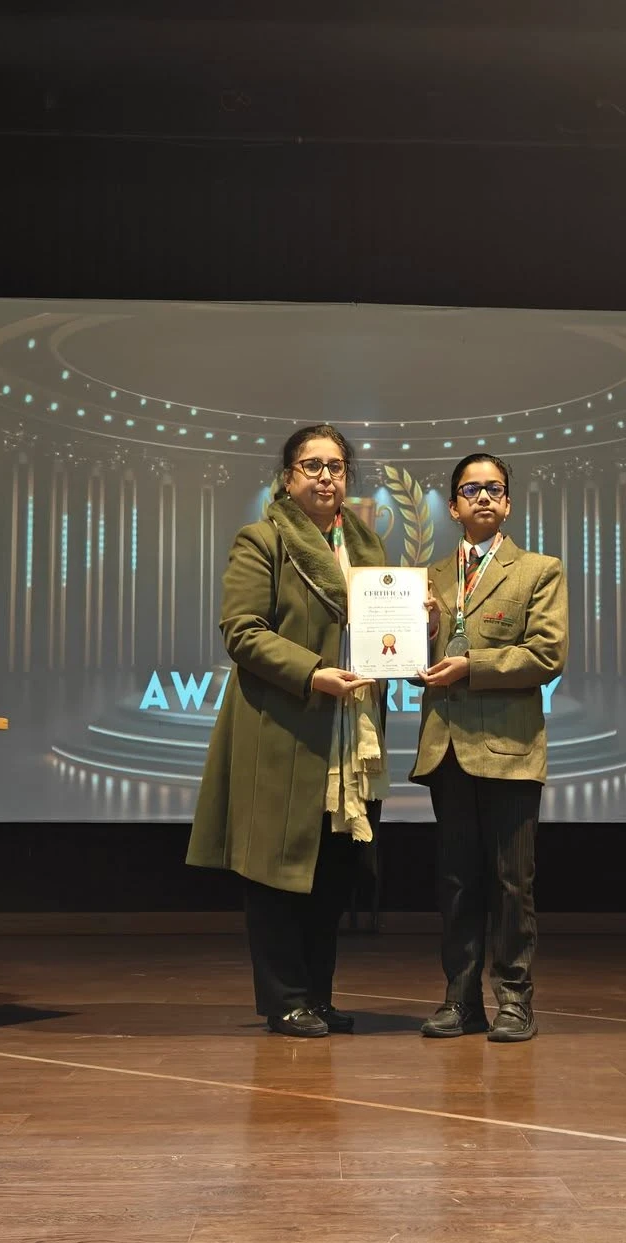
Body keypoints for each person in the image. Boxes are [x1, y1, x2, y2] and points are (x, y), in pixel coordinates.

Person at [187, 425, 389, 1038]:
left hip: (347, 730)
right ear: (287, 477)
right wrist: (311, 673)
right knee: (277, 869)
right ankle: (285, 998)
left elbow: (384, 630)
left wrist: (419, 623)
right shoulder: (264, 539)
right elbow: (242, 631)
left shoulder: (368, 549)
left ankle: (318, 996)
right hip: (282, 723)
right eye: (312, 465)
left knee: (333, 870)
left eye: (336, 466)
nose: (326, 477)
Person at [412, 453, 567, 1043]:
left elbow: (546, 655)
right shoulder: (428, 578)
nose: (483, 497)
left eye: (494, 489)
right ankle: (461, 1000)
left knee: (511, 882)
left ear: (508, 503)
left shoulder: (538, 570)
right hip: (446, 748)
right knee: (456, 883)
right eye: (471, 489)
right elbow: (412, 662)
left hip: (510, 750)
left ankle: (515, 1000)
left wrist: (471, 666)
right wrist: (423, 636)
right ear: (453, 506)